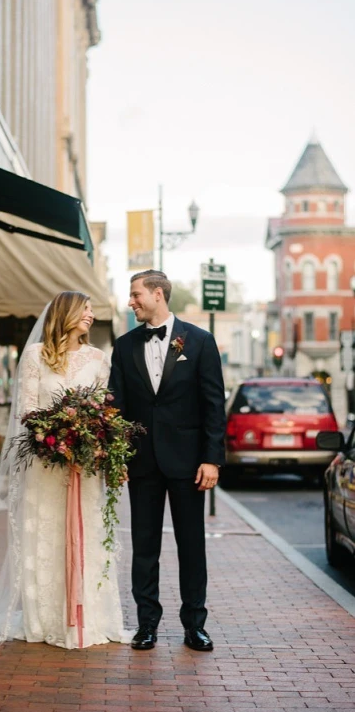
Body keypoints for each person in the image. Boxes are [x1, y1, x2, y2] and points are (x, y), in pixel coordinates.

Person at [0, 291, 130, 649]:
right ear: (66, 314)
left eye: (92, 309)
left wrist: (90, 440)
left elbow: (104, 411)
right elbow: (26, 412)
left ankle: (89, 618)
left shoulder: (99, 359)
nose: (91, 315)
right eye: (86, 309)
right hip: (46, 467)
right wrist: (55, 436)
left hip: (84, 469)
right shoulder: (36, 356)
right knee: (44, 537)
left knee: (89, 537)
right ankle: (44, 618)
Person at [109, 270, 226, 652]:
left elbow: (213, 406)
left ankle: (195, 626)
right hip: (142, 464)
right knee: (144, 548)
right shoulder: (124, 346)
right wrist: (119, 456)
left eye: (135, 294)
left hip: (189, 463)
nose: (131, 301)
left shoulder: (201, 341)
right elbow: (117, 407)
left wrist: (212, 459)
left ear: (158, 294)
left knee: (192, 546)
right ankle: (147, 625)